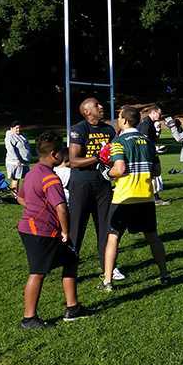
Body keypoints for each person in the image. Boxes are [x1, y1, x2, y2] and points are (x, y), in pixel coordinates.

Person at [15, 132, 89, 329]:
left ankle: (73, 308)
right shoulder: (50, 178)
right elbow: (61, 208)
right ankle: (29, 318)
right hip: (40, 232)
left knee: (70, 259)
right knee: (37, 272)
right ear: (55, 154)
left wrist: (34, 206)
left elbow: (20, 197)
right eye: (62, 152)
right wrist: (66, 231)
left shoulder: (31, 173)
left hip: (31, 228)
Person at [97, 106, 171, 292]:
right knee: (153, 237)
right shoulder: (147, 141)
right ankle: (164, 274)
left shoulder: (119, 142)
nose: (117, 120)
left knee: (113, 237)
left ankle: (107, 281)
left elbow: (119, 169)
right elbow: (157, 171)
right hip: (145, 197)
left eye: (119, 117)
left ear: (125, 120)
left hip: (124, 197)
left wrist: (106, 173)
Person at [67, 97, 117, 277]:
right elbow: (73, 161)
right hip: (82, 184)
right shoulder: (79, 129)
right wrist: (98, 157)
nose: (101, 106)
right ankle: (70, 268)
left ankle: (108, 267)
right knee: (76, 228)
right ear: (87, 111)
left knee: (105, 226)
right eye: (97, 105)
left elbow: (114, 155)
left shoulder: (109, 129)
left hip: (103, 183)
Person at [138, 106, 169, 205]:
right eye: (159, 113)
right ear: (153, 112)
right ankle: (155, 198)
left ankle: (153, 197)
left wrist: (158, 132)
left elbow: (153, 140)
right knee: (153, 175)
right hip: (147, 155)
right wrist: (155, 149)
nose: (160, 115)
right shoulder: (146, 124)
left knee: (155, 174)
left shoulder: (150, 123)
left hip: (150, 153)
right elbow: (143, 141)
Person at [4, 120, 31, 196]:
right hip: (15, 162)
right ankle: (15, 196)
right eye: (16, 128)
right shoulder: (10, 137)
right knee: (16, 179)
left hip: (24, 161)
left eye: (19, 128)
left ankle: (24, 194)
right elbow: (10, 149)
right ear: (11, 128)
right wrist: (16, 160)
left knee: (27, 178)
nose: (18, 130)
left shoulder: (21, 135)